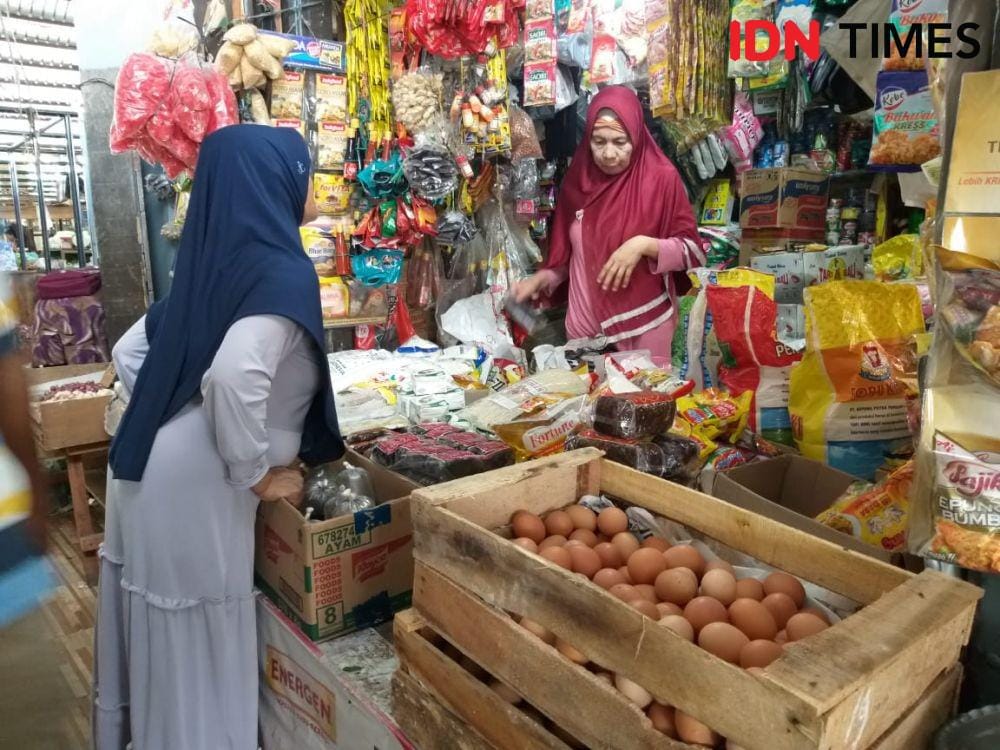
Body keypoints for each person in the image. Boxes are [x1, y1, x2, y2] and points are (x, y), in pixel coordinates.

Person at [92, 126, 345, 750]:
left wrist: (173, 405)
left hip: (149, 469)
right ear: (273, 183)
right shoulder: (283, 271)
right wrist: (256, 473)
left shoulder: (212, 266)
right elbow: (233, 379)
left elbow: (130, 353)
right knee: (195, 650)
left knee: (160, 639)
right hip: (202, 489)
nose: (309, 183)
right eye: (302, 170)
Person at [515, 86, 706, 358]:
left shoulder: (661, 179)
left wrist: (643, 245)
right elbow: (574, 257)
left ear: (637, 137)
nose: (608, 153)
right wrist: (542, 278)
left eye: (620, 142)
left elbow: (692, 251)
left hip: (643, 329)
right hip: (583, 332)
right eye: (598, 141)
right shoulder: (578, 182)